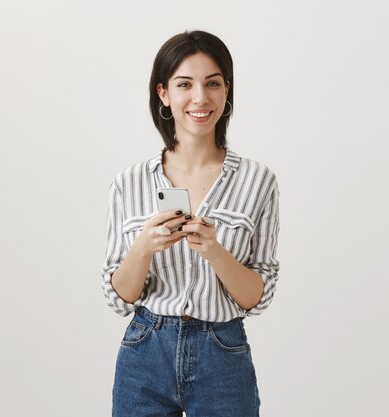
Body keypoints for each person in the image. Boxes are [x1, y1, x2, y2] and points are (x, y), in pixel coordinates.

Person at [100, 30, 280, 417]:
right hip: (145, 352)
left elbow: (256, 297)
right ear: (164, 93)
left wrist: (215, 252)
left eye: (212, 83)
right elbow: (119, 296)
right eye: (185, 84)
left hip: (223, 354)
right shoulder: (129, 182)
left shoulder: (257, 180)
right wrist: (143, 247)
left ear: (226, 90)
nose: (200, 98)